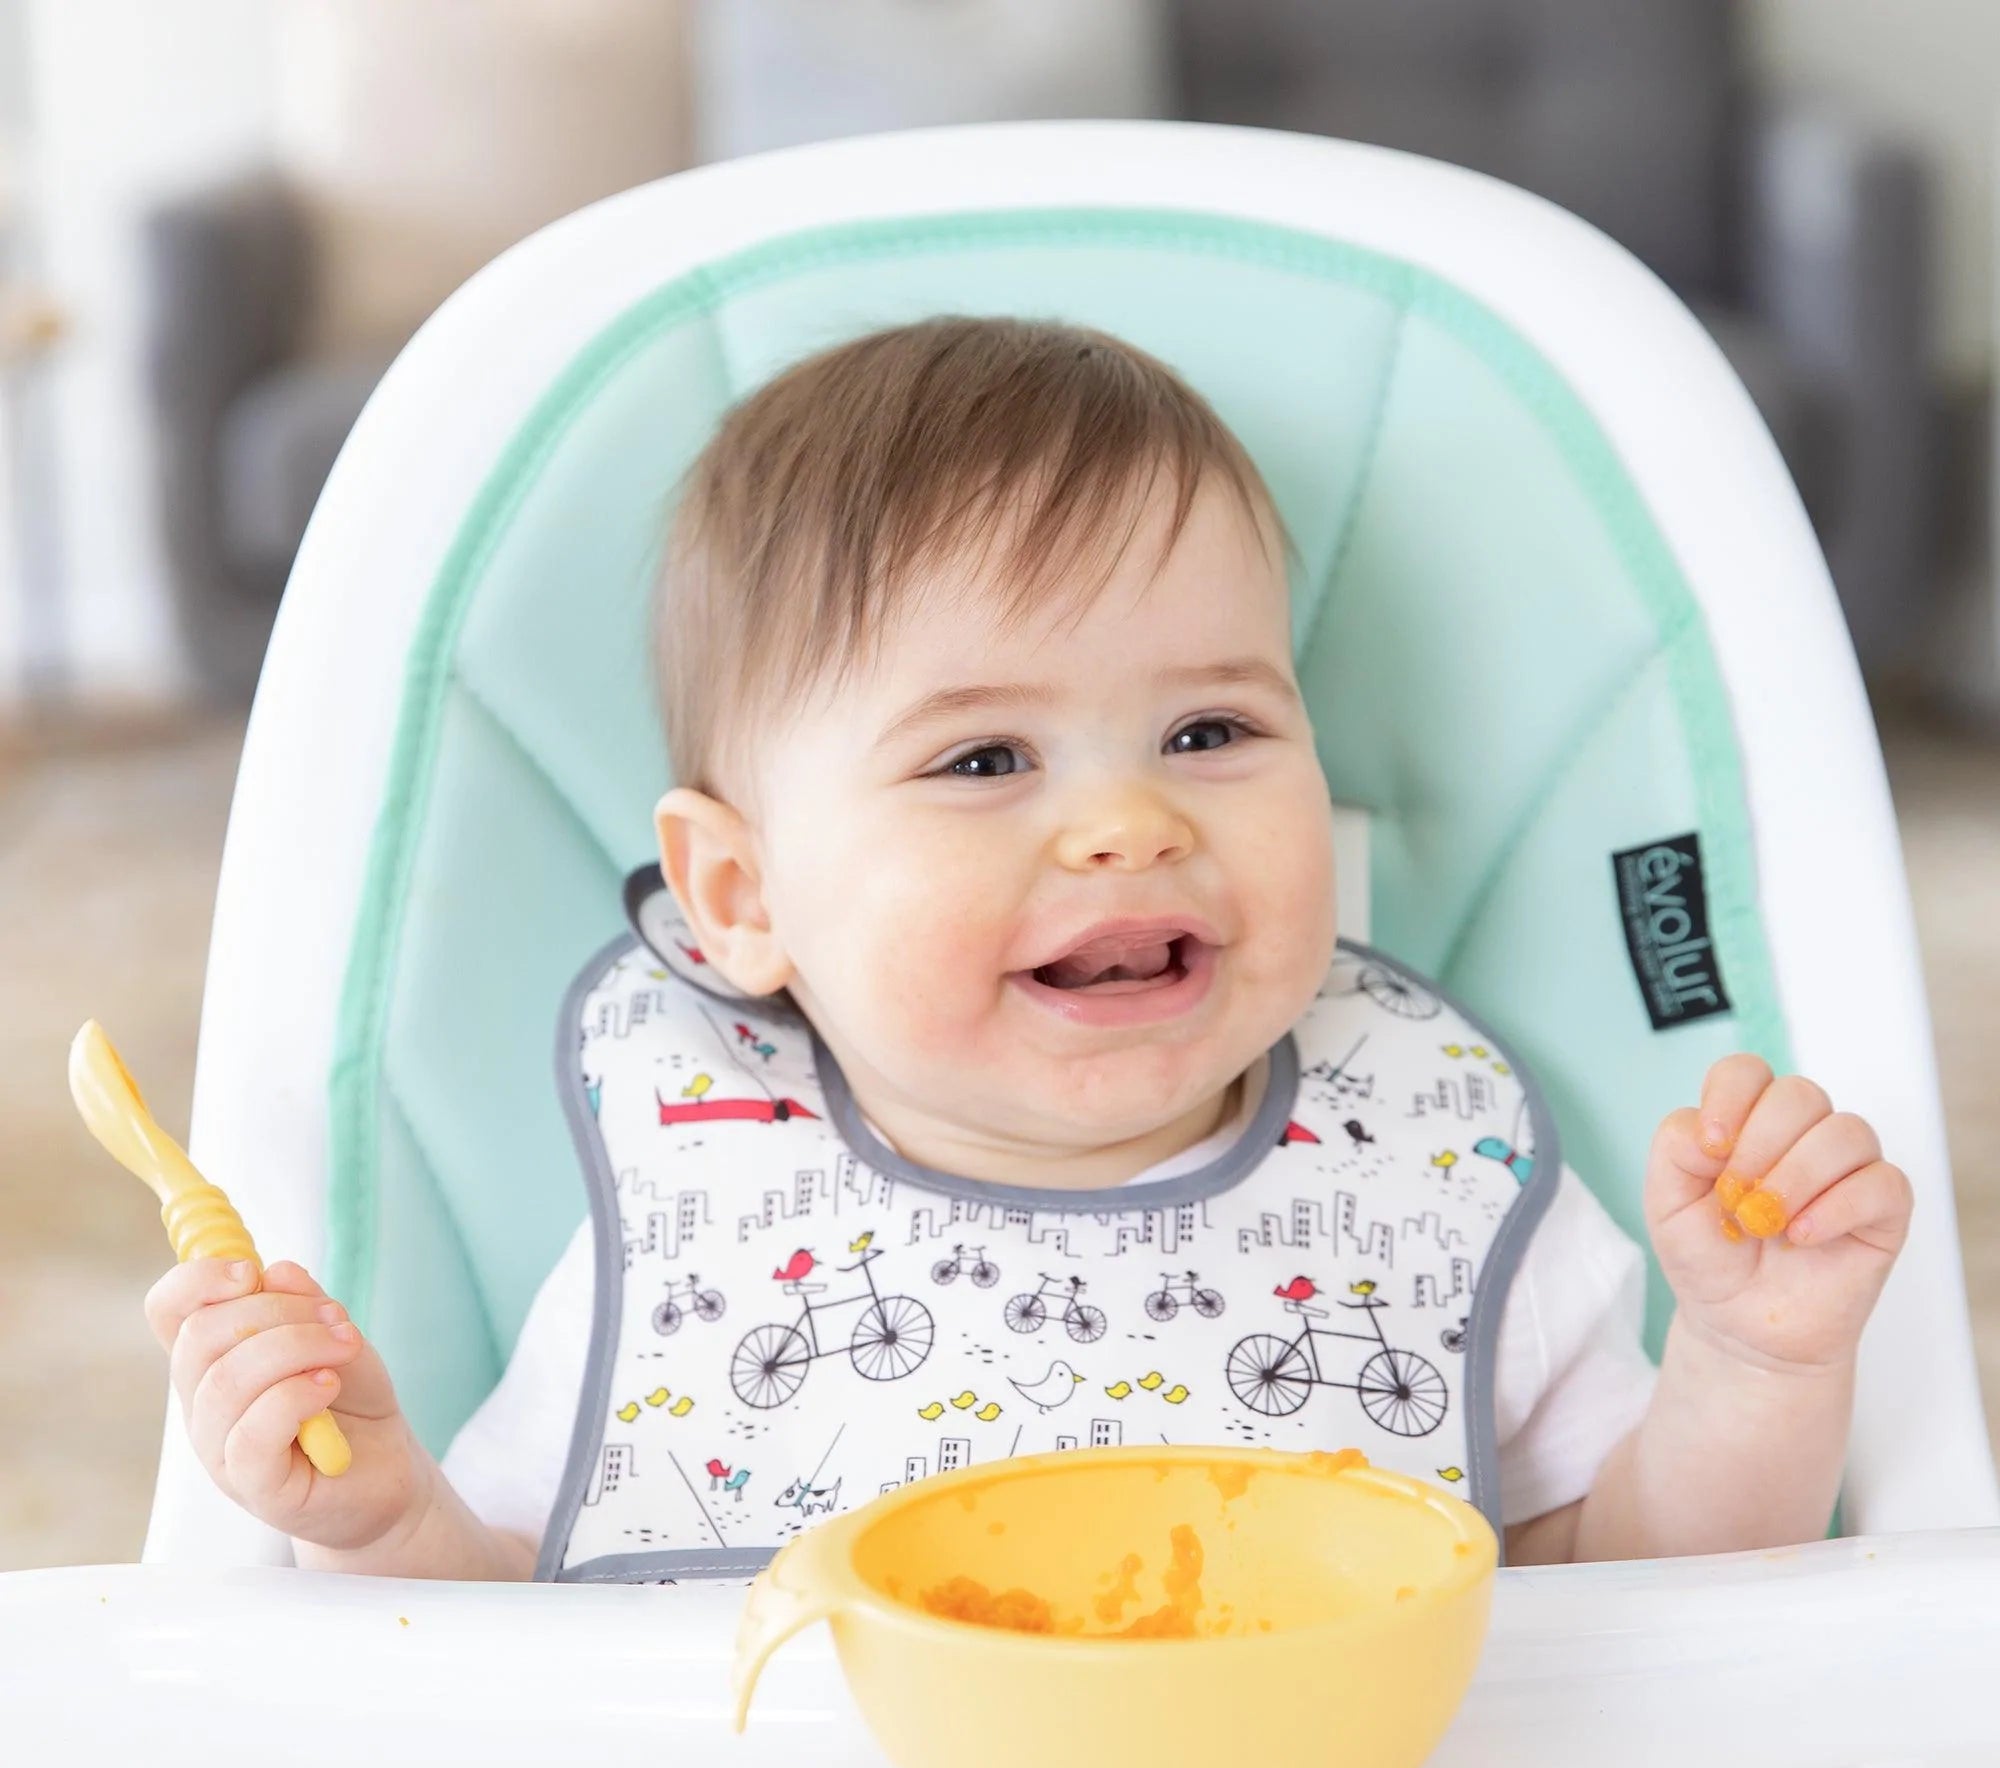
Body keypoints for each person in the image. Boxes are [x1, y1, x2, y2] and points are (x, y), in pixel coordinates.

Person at [142, 317, 1911, 1580]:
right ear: (741, 898)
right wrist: (383, 1521)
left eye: (1211, 731)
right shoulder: (698, 1205)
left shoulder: (1429, 1161)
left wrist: (1757, 1364)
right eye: (984, 760)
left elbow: (1644, 1607)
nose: (1128, 823)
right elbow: (510, 1659)